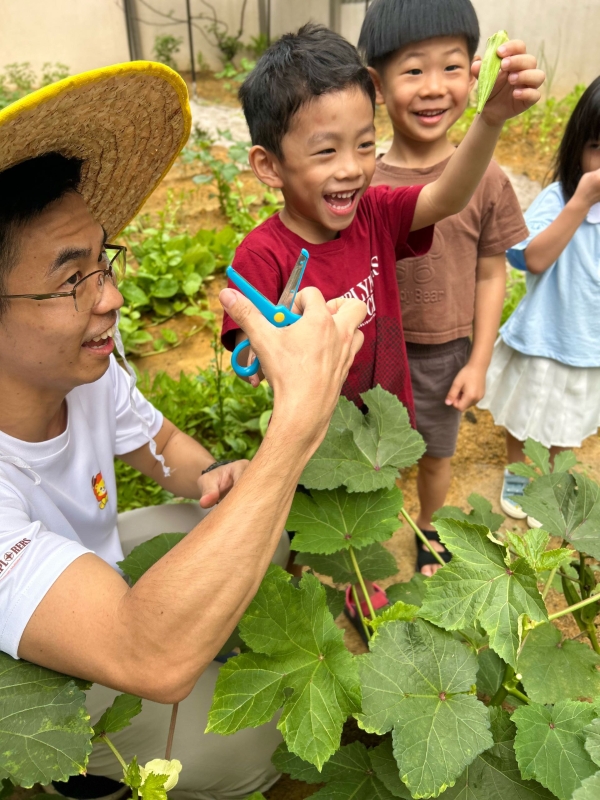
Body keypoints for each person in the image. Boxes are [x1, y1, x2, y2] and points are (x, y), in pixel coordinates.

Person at [0, 64, 366, 800]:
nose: (110, 297)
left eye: (103, 260)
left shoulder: (87, 373)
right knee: (258, 744)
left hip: (86, 567)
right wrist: (294, 427)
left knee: (272, 530)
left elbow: (164, 448)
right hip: (32, 672)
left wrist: (215, 481)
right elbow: (150, 655)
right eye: (73, 279)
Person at [220, 22, 543, 627]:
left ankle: (356, 582)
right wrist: (282, 347)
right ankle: (276, 595)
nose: (351, 169)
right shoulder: (261, 257)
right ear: (268, 166)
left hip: (380, 419)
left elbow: (446, 196)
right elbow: (250, 354)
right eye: (325, 151)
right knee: (310, 516)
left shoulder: (376, 213)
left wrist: (491, 119)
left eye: (365, 145)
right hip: (311, 434)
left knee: (369, 509)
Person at [359, 0, 529, 575]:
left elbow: (491, 269)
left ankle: (428, 529)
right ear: (376, 85)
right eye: (413, 70)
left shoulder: (490, 177)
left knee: (437, 454)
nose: (434, 88)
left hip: (445, 353)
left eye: (451, 67)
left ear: (475, 74)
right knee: (370, 457)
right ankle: (361, 543)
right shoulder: (360, 183)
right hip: (375, 354)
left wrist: (479, 360)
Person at [479, 76, 600, 524]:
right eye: (596, 146)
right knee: (525, 414)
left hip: (589, 346)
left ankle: (552, 484)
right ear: (576, 148)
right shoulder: (560, 198)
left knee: (568, 421)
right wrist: (581, 202)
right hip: (544, 336)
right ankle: (518, 473)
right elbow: (531, 259)